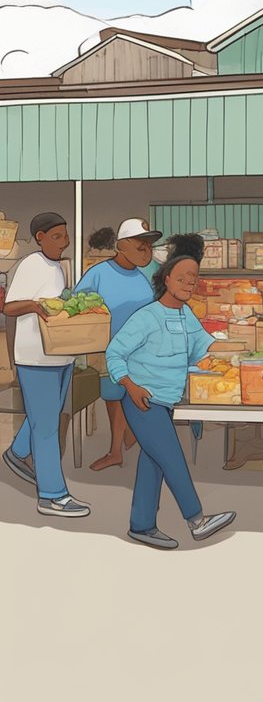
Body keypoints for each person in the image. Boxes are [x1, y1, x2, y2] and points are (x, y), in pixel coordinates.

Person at [105, 254, 237, 549]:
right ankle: (197, 520)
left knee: (154, 462)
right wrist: (130, 385)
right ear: (165, 279)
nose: (189, 283)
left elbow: (204, 348)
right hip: (143, 400)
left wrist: (238, 351)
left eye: (194, 278)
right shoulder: (146, 317)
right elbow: (114, 353)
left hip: (167, 402)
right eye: (182, 278)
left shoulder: (186, 314)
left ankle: (141, 525)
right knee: (173, 458)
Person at [2, 213, 89, 517]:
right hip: (36, 358)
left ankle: (16, 454)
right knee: (48, 427)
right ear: (40, 237)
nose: (64, 241)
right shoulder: (30, 265)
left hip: (60, 355)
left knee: (47, 415)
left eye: (65, 236)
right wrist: (37, 306)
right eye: (57, 236)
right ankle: (52, 495)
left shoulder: (57, 267)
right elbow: (9, 307)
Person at [76, 220, 161, 472]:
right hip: (107, 350)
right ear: (122, 246)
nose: (147, 250)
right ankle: (117, 449)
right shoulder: (99, 273)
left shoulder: (144, 276)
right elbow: (78, 303)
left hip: (140, 351)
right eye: (141, 245)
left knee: (133, 397)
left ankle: (122, 444)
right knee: (113, 398)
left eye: (149, 245)